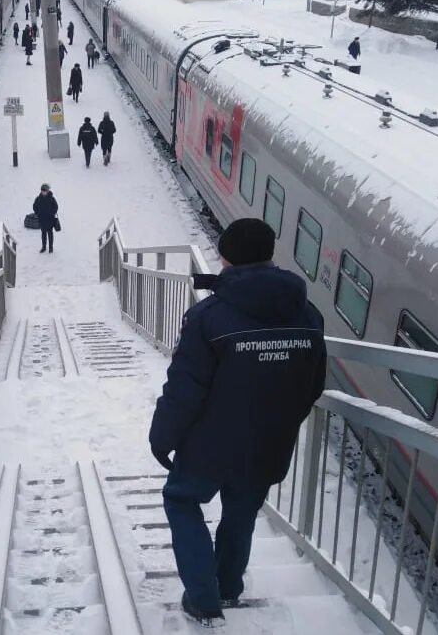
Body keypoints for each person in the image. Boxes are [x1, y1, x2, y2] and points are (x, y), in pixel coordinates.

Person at [149, 219, 326, 627]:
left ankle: (204, 598)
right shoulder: (308, 314)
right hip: (268, 443)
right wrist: (279, 423)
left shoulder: (209, 317)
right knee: (241, 512)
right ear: (269, 255)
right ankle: (228, 587)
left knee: (182, 499)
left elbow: (184, 388)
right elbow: (312, 384)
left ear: (225, 258)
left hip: (211, 445)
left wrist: (162, 437)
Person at [32, 183, 58, 253]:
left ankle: (50, 247)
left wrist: (51, 213)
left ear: (48, 191)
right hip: (42, 219)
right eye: (42, 190)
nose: (43, 191)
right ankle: (43, 247)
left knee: (50, 233)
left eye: (44, 190)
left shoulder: (52, 199)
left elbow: (56, 207)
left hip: (50, 219)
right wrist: (38, 213)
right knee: (43, 234)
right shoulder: (38, 198)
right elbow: (34, 207)